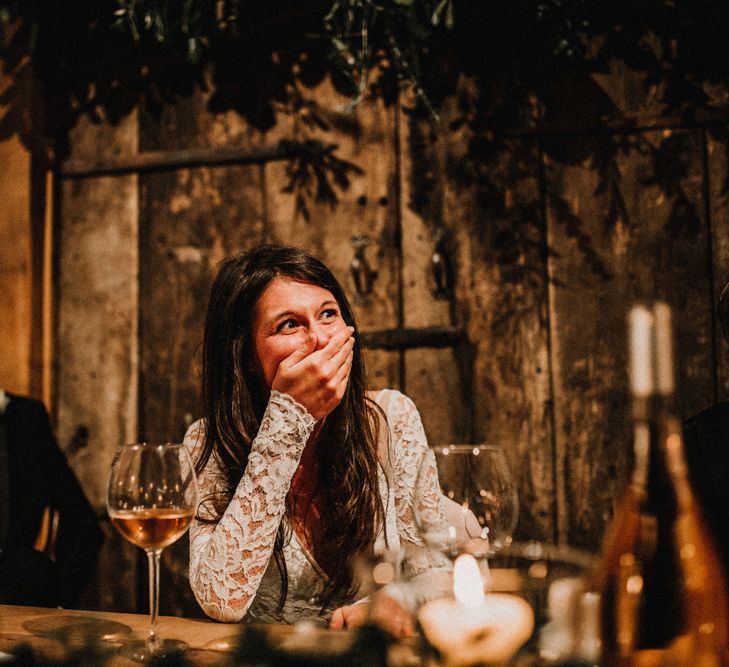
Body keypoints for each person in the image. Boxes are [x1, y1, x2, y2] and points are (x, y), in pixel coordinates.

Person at [184, 244, 449, 634]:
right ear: (247, 359)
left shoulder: (391, 418)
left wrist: (396, 601)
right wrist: (288, 420)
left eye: (328, 315)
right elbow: (221, 599)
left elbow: (441, 572)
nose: (322, 340)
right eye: (289, 325)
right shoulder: (208, 441)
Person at [0, 390, 104, 608]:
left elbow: (82, 524)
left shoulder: (23, 418)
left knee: (30, 570)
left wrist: (61, 602)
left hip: (12, 593)